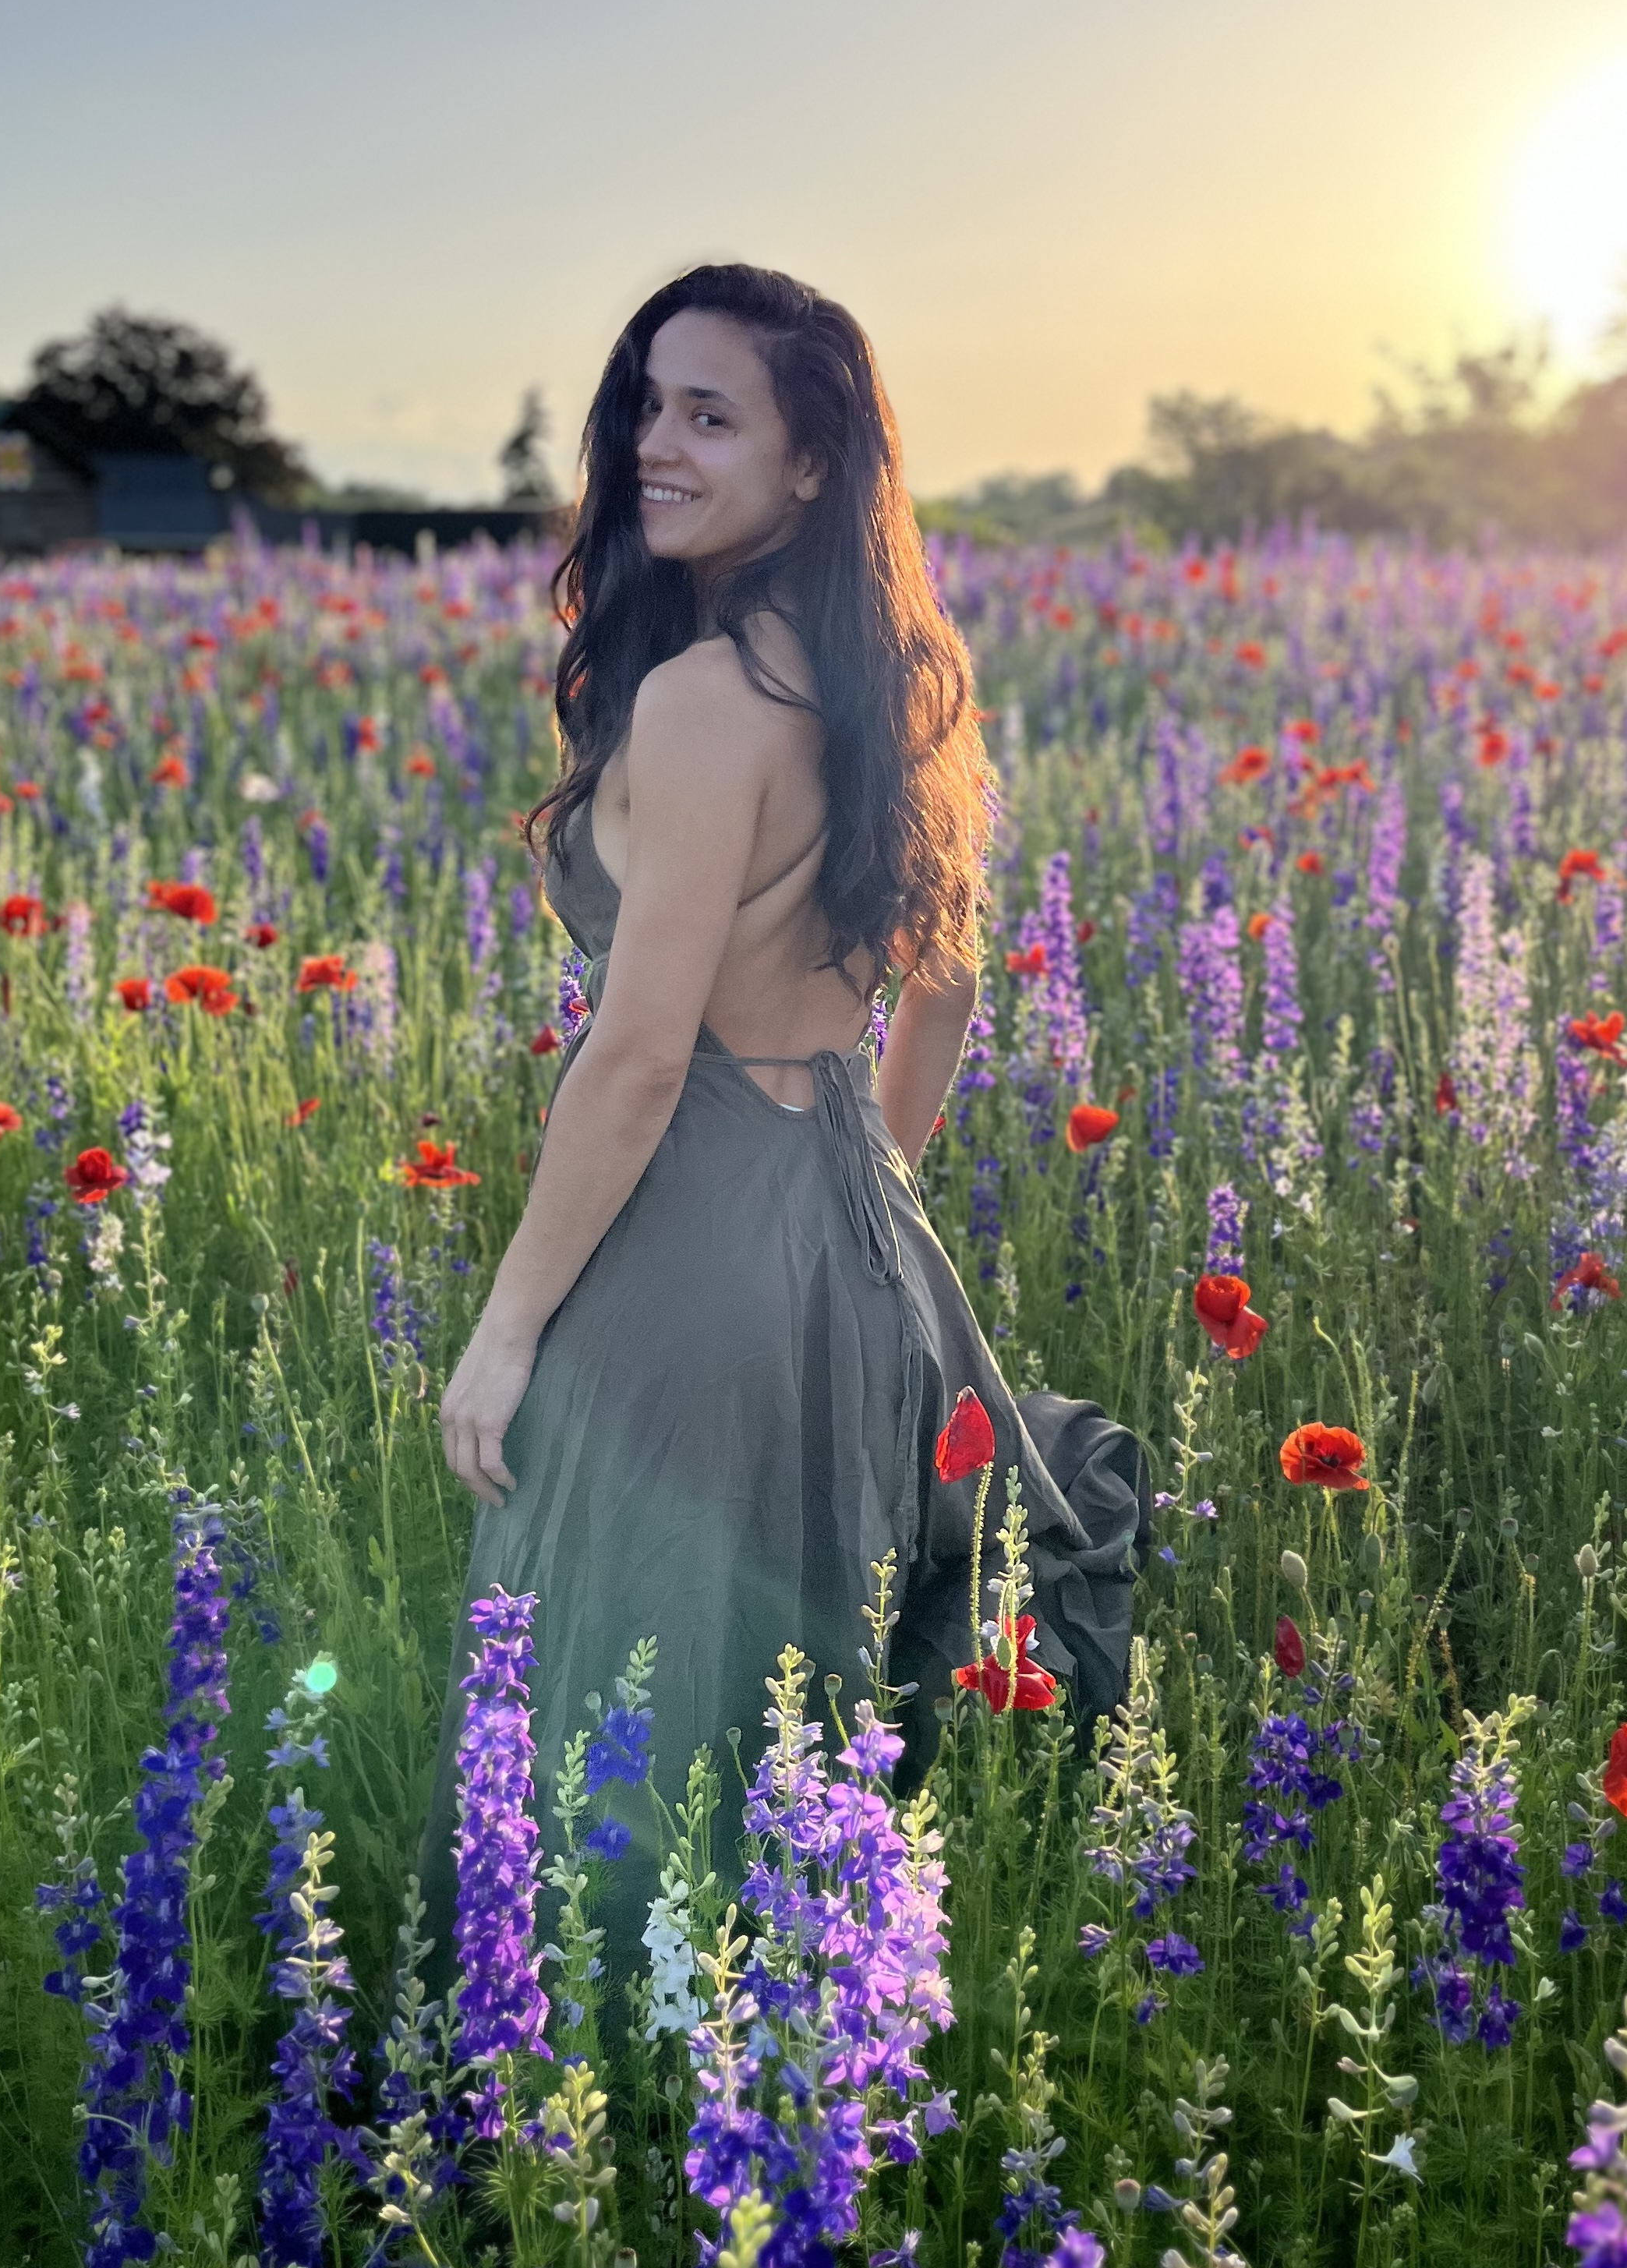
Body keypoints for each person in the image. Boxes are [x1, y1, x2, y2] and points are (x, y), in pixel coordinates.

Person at [416, 262, 1143, 1959]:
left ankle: (608, 2111)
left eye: (710, 415)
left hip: (683, 1252)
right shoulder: (893, 687)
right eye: (646, 409)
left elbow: (640, 1055)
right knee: (812, 1685)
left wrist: (509, 1325)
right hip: (857, 1235)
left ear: (812, 464)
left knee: (623, 1685)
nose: (656, 446)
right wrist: (851, 1181)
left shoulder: (695, 707)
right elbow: (948, 986)